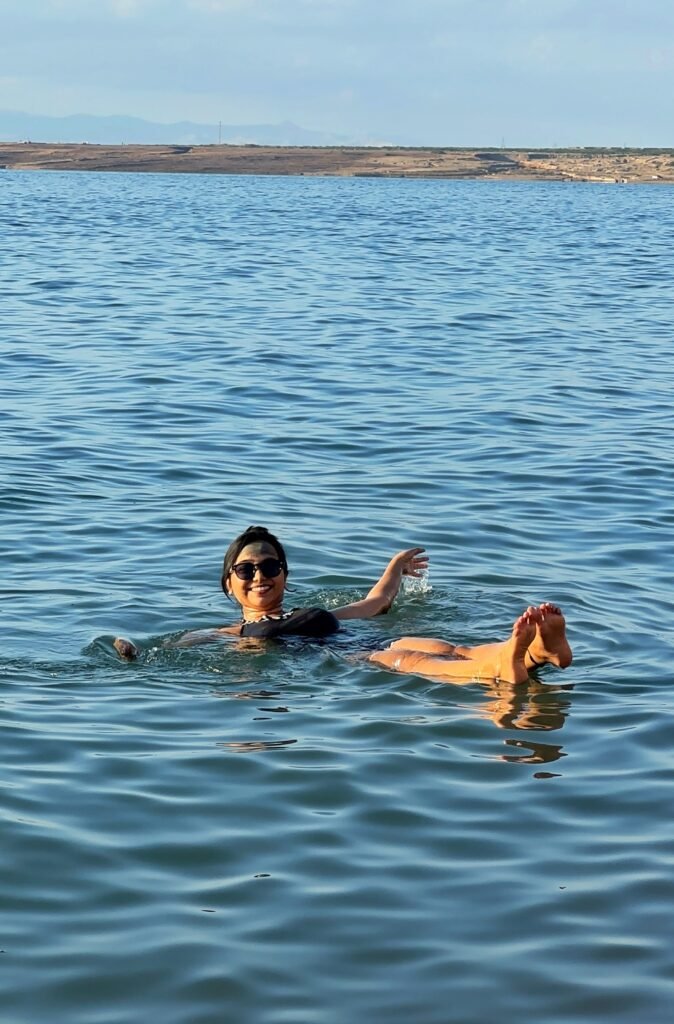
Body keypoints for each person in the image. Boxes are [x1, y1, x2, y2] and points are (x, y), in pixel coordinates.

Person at [113, 525, 428, 660]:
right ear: (228, 584)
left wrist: (395, 566)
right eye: (246, 570)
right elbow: (172, 650)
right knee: (443, 665)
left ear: (285, 574)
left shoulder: (320, 613)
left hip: (381, 644)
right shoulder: (229, 634)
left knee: (463, 652)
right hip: (363, 660)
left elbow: (377, 603)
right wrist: (135, 656)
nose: (259, 576)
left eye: (270, 566)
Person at [368, 603, 572, 685]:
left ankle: (535, 653)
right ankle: (502, 663)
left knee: (453, 651)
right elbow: (376, 601)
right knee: (412, 659)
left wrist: (396, 566)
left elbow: (375, 601)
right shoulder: (338, 615)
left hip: (360, 644)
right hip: (359, 647)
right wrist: (394, 570)